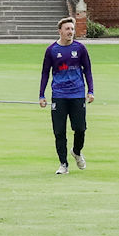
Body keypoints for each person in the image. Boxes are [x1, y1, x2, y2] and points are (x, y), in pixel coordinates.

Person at [39, 16, 94, 175]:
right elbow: (45, 73)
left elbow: (88, 71)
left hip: (77, 93)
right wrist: (41, 95)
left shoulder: (80, 49)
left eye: (72, 29)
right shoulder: (51, 50)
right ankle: (63, 164)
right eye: (67, 29)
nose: (70, 32)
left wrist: (90, 91)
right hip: (59, 94)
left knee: (80, 128)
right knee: (59, 131)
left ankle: (76, 151)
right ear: (60, 31)